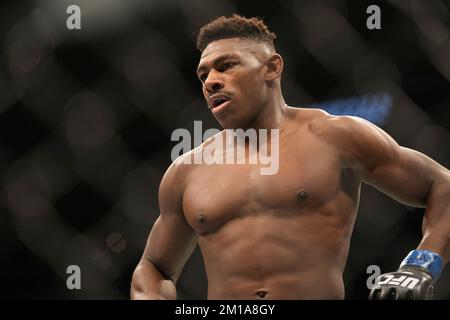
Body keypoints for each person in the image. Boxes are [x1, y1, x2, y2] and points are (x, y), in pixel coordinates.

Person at [130, 15, 449, 300]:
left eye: (226, 65)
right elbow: (153, 267)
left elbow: (442, 187)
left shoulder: (335, 136)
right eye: (203, 75)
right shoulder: (186, 171)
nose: (211, 81)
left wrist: (420, 266)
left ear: (272, 67)